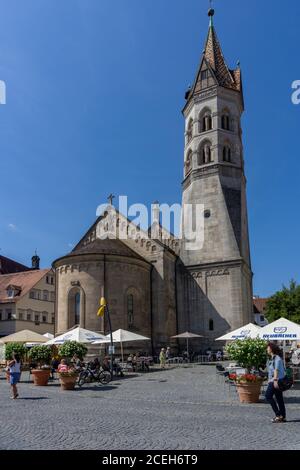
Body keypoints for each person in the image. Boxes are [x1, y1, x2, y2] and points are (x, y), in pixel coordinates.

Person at [265, 342, 286, 423]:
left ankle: (278, 415)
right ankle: (283, 417)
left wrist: (274, 381)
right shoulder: (271, 358)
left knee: (268, 396)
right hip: (275, 380)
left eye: (268, 347)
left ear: (271, 349)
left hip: (275, 380)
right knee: (279, 399)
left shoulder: (277, 358)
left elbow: (276, 370)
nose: (267, 349)